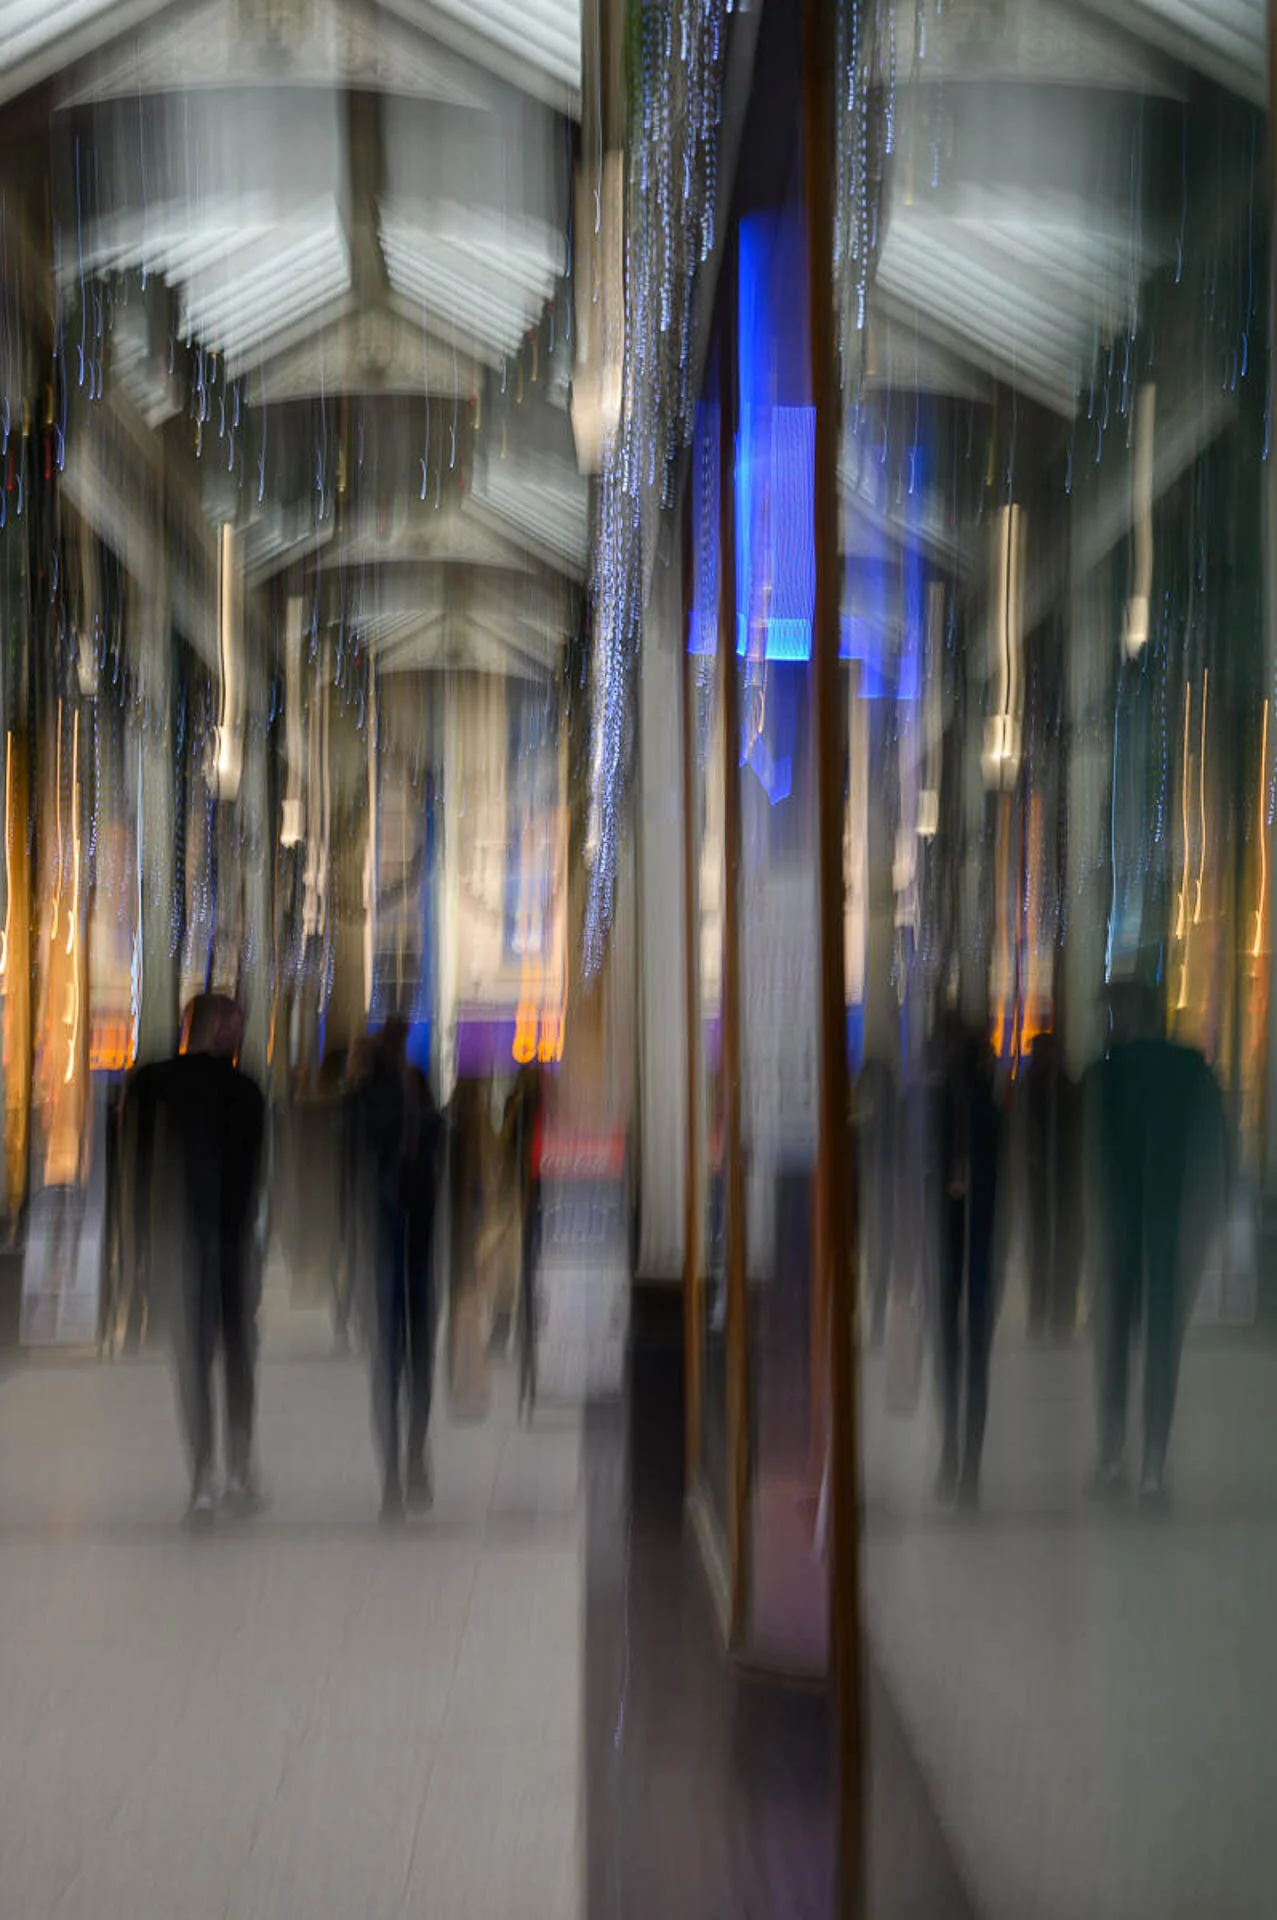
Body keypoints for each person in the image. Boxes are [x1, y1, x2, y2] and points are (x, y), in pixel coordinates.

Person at [1089, 983, 1227, 1505]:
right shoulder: (1192, 1070)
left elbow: (1094, 1159)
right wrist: (1205, 1219)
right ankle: (1151, 1464)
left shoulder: (1108, 1074)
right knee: (1161, 1345)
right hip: (1169, 1228)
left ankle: (1112, 1456)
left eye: (1112, 1012)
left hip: (1122, 1228)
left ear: (1128, 1015)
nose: (1109, 1022)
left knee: (1115, 1345)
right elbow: (1211, 1149)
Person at [156, 993, 266, 1525]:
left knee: (195, 1363)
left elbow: (150, 1173)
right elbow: (256, 1181)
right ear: (215, 1029)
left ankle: (203, 1474)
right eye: (234, 1027)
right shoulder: (248, 1094)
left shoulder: (158, 1087)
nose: (239, 1038)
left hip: (187, 1243)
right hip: (231, 1242)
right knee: (237, 1359)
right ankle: (238, 1469)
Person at [355, 1019, 443, 1521]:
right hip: (407, 1243)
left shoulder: (381, 1097)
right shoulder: (394, 1096)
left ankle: (399, 1467)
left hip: (394, 1245)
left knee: (393, 1366)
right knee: (410, 1362)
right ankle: (406, 1462)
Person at [935, 1015, 1003, 1511]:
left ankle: (953, 1458)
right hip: (978, 1248)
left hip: (951, 1248)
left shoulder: (939, 1107)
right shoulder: (990, 1109)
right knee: (972, 1360)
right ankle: (969, 1470)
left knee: (952, 1359)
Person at [1022, 1031, 1084, 1342]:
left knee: (1048, 1251)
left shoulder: (1037, 1088)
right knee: (1055, 1251)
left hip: (1051, 1180)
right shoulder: (1065, 1088)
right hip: (1057, 1180)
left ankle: (1048, 1318)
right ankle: (1056, 1319)